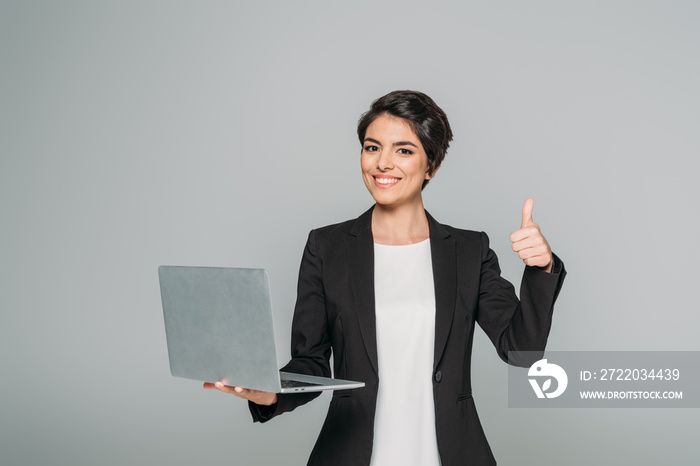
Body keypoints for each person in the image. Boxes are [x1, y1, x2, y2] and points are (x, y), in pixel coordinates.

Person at [204, 90, 566, 465]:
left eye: (404, 150)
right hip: (352, 453)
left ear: (432, 166)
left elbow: (522, 351)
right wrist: (272, 392)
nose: (383, 163)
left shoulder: (469, 251)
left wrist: (541, 268)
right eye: (372, 147)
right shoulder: (326, 247)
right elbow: (310, 362)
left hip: (449, 454)